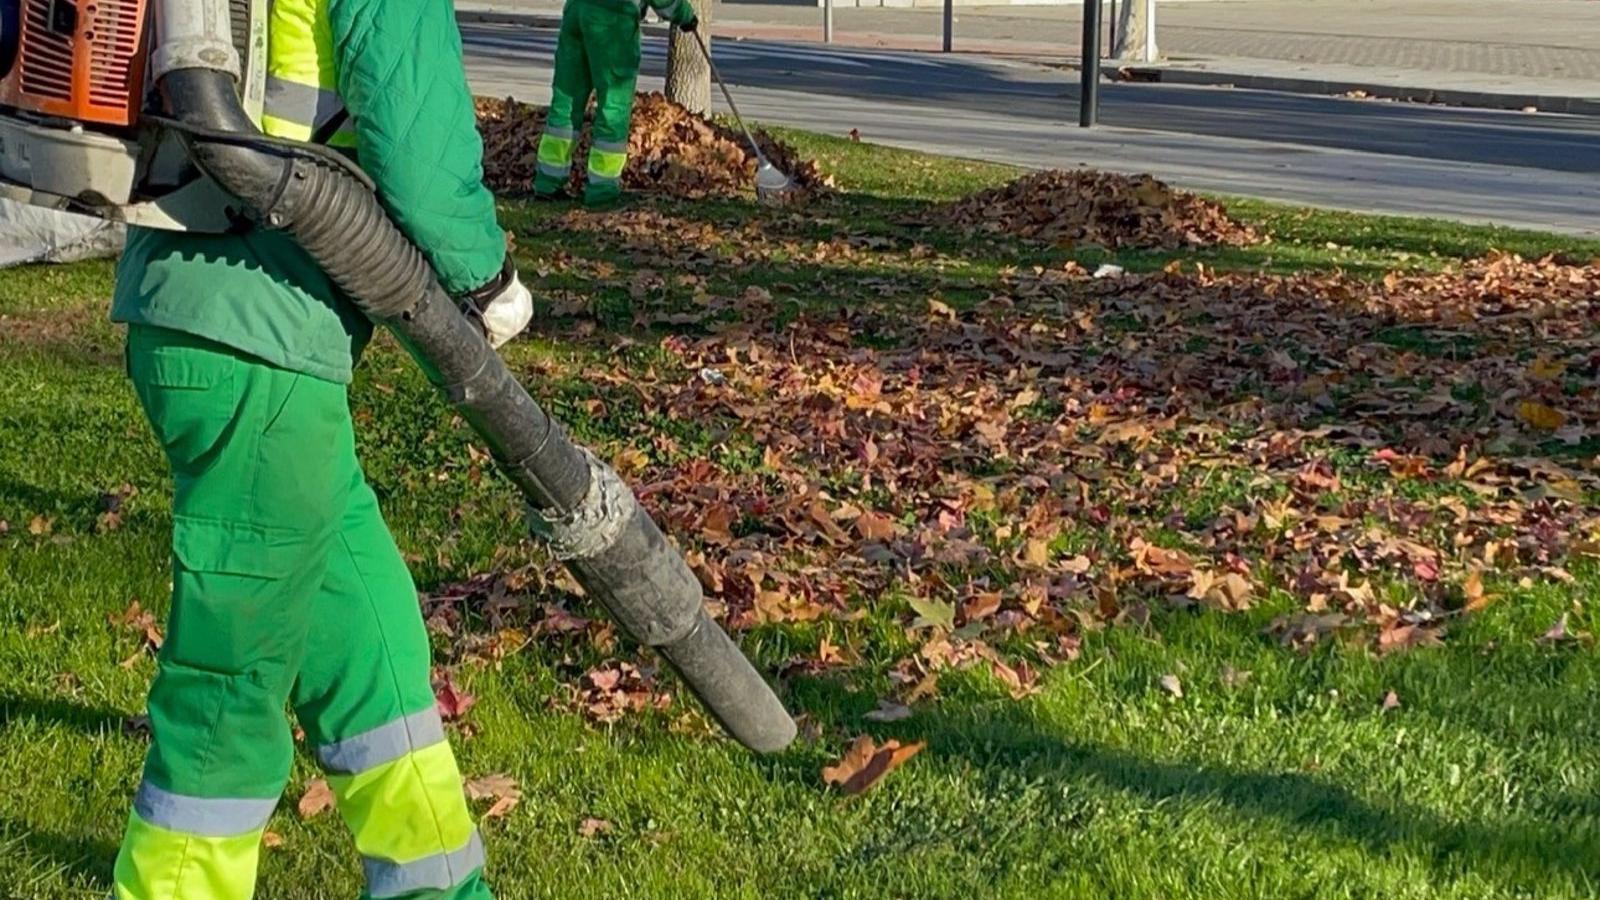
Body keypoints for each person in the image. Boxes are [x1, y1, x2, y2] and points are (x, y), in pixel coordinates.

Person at [107, 0, 531, 893]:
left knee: (369, 643)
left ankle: (439, 883)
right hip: (259, 335)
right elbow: (415, 134)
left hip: (202, 312)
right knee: (230, 690)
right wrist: (486, 279)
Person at [532, 0, 700, 207]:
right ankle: (602, 189)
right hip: (613, 19)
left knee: (567, 99)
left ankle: (548, 181)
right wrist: (685, 16)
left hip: (576, 12)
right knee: (613, 105)